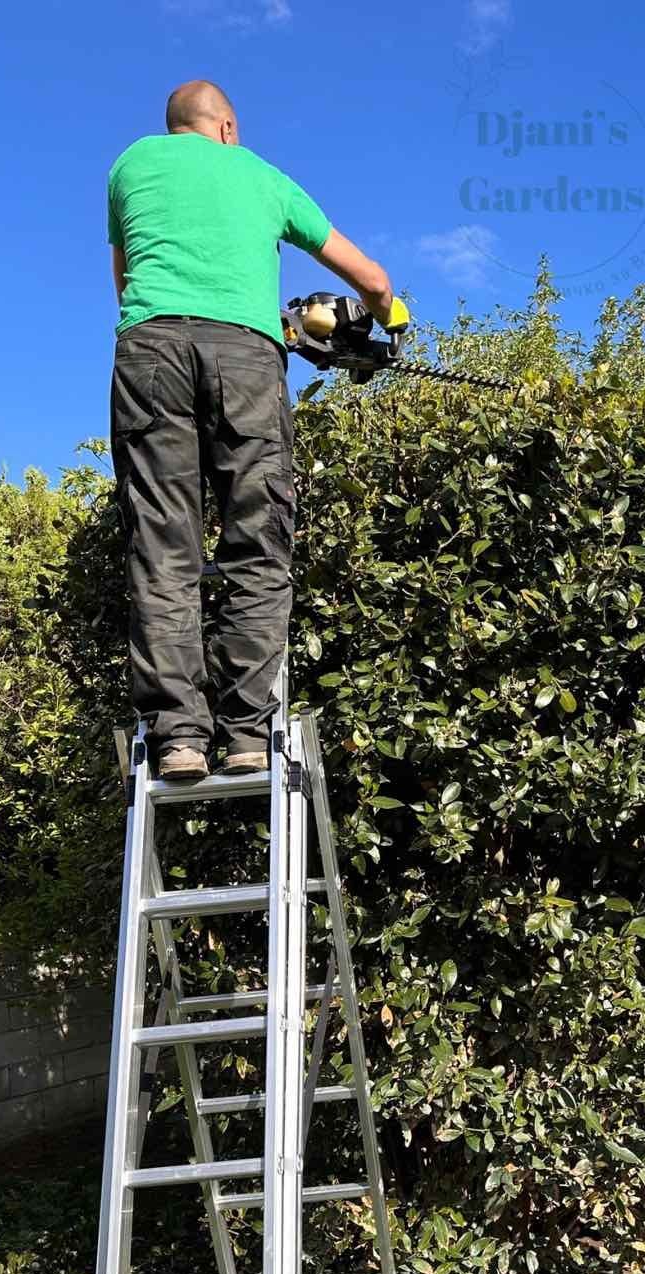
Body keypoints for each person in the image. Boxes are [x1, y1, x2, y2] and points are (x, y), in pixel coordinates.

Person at [107, 79, 406, 779]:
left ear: (175, 126)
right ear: (228, 128)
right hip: (245, 359)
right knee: (257, 540)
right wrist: (389, 324)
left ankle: (180, 736)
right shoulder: (260, 175)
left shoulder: (129, 167)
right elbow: (372, 277)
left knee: (162, 545)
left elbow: (129, 284)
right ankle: (244, 733)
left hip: (149, 349)